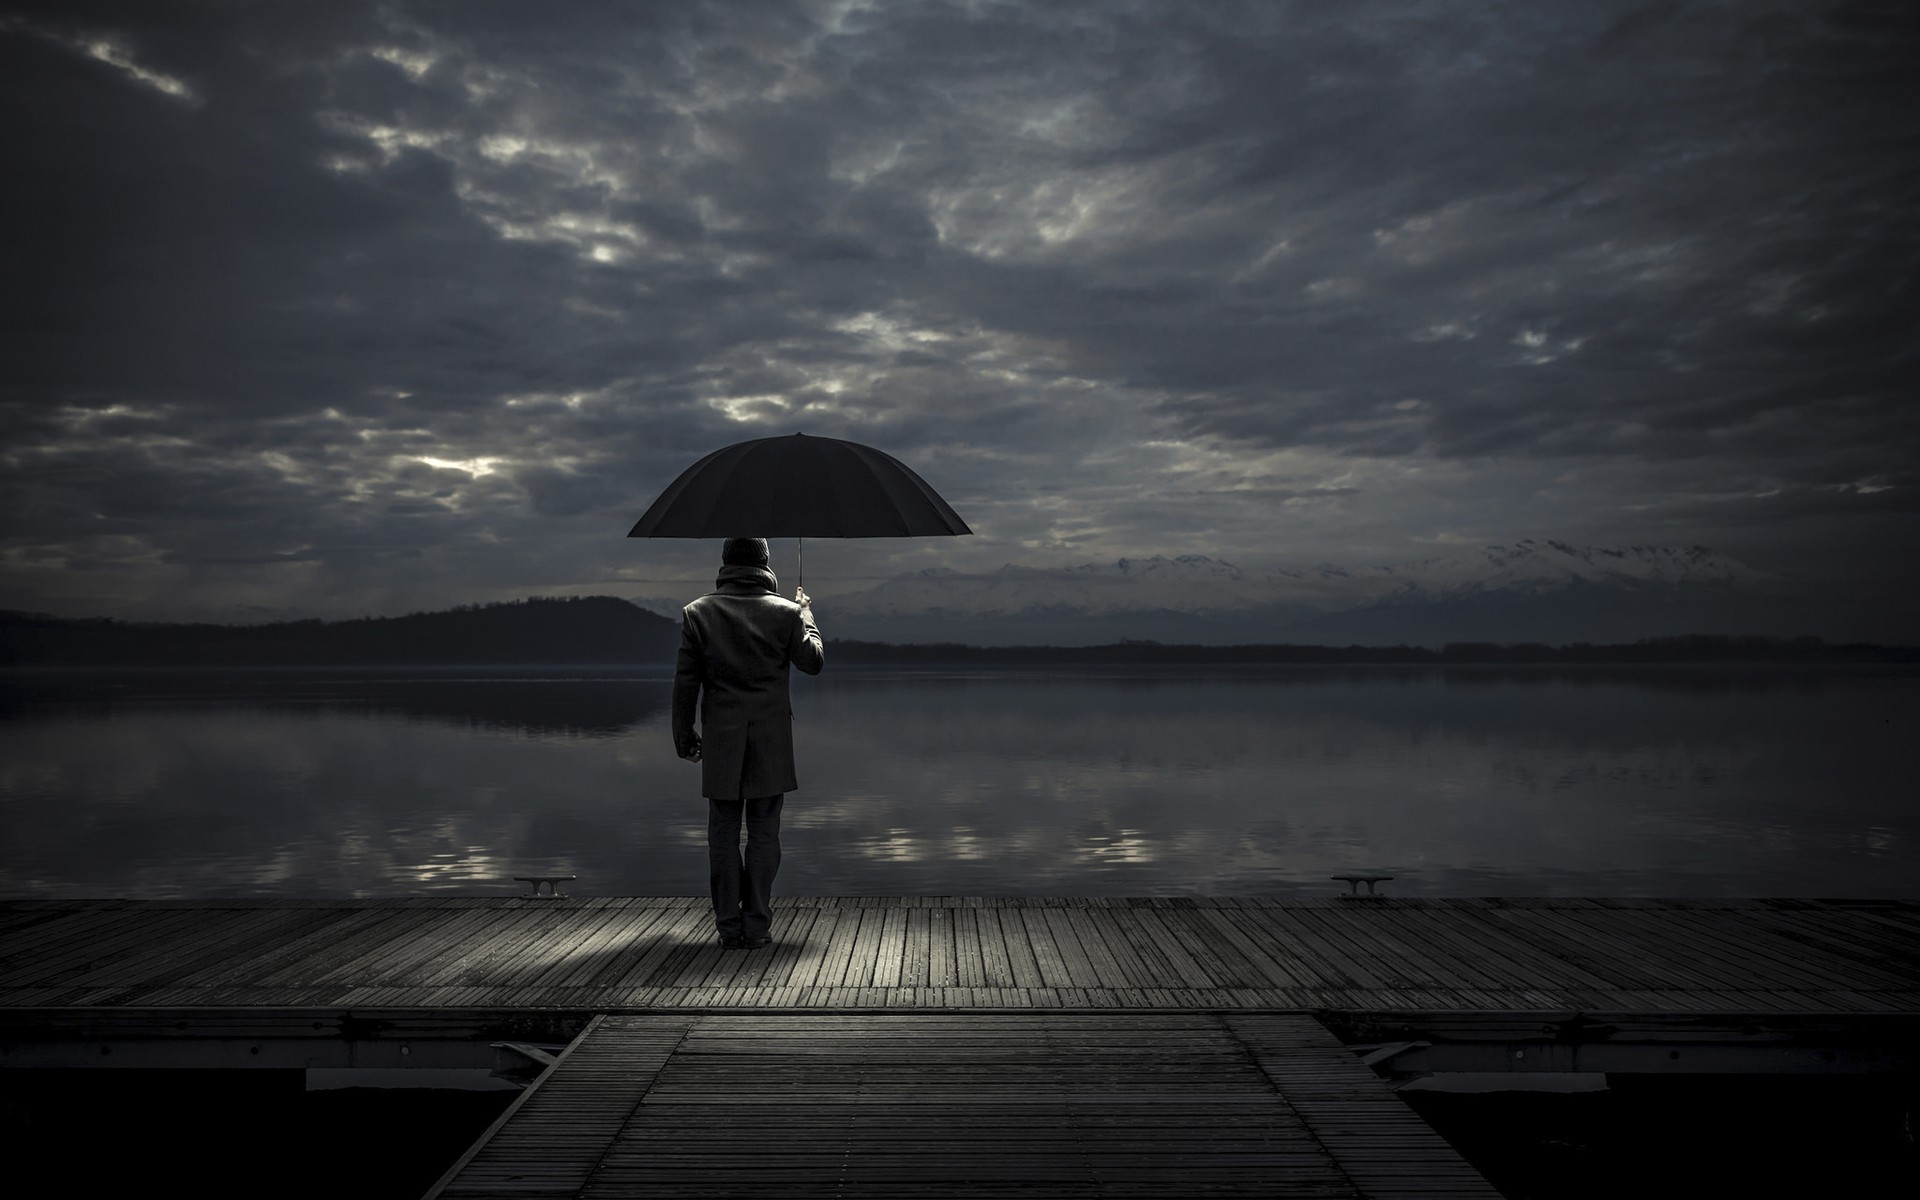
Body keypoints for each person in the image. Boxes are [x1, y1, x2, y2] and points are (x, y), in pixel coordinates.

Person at [672, 537, 824, 949]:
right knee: (764, 834)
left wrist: (684, 737)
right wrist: (806, 614)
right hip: (771, 740)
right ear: (765, 563)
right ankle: (756, 926)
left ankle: (727, 926)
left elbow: (685, 685)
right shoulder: (787, 612)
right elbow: (813, 663)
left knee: (721, 834)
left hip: (721, 738)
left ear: (726, 563)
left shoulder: (697, 613)